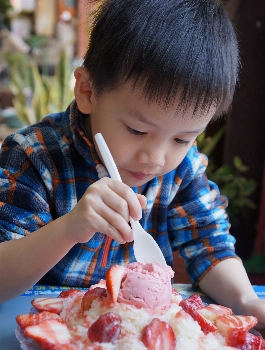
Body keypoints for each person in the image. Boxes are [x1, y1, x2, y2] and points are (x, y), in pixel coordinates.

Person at [0, 0, 264, 328]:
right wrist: (69, 229)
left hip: (136, 344)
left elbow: (209, 244)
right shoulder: (33, 157)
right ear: (87, 91)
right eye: (137, 130)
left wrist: (247, 301)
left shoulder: (181, 169)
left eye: (182, 139)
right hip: (44, 335)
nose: (155, 157)